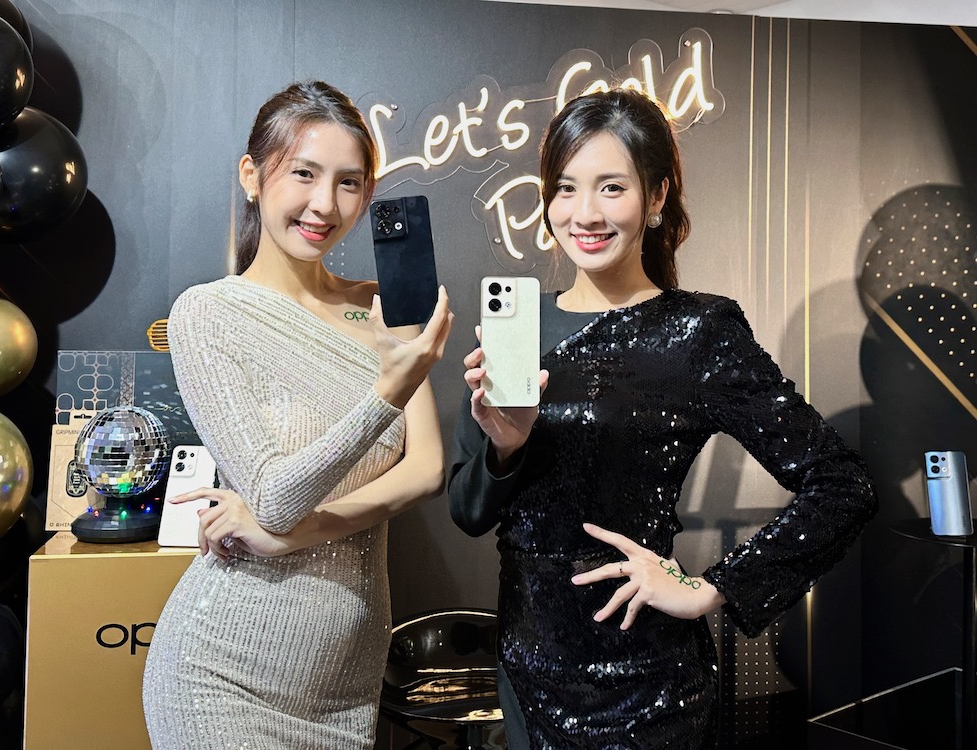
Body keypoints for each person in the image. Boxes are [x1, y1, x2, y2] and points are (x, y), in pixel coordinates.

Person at [448, 88, 877, 749]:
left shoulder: (697, 333)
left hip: (648, 689)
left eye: (611, 188)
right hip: (527, 673)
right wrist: (506, 449)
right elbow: (469, 512)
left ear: (655, 198)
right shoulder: (515, 327)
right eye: (565, 188)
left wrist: (711, 588)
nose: (584, 213)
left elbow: (843, 484)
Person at [142, 80, 453, 750]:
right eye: (304, 174)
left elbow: (428, 469)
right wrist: (386, 394)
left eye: (348, 182)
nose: (324, 205)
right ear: (252, 176)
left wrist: (296, 537)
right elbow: (275, 497)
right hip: (221, 677)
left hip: (344, 688)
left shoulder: (380, 305)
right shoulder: (209, 314)